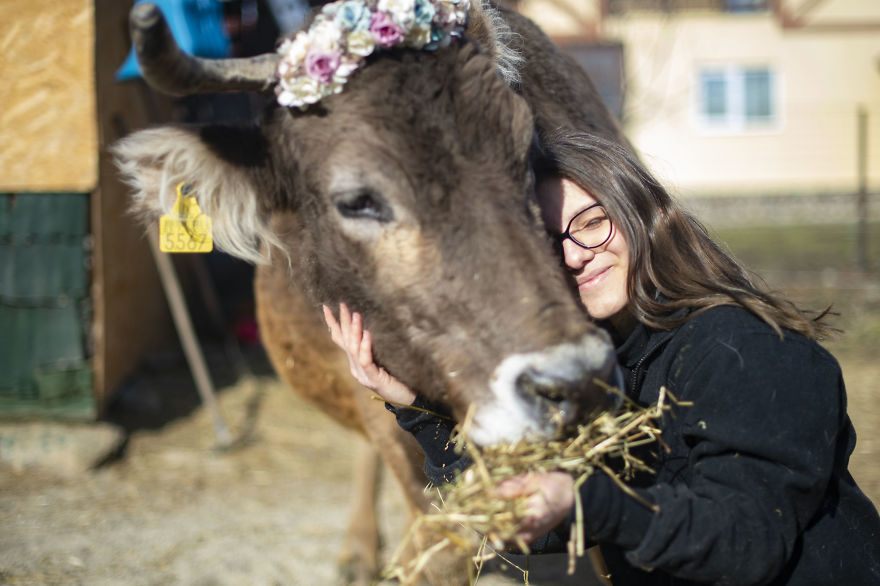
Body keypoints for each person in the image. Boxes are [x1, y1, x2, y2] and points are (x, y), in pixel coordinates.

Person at [323, 132, 880, 585]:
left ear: (644, 214)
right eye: (547, 241)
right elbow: (539, 525)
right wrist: (416, 406)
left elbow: (745, 545)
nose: (574, 255)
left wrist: (586, 498)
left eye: (592, 222)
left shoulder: (744, 348)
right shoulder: (605, 368)